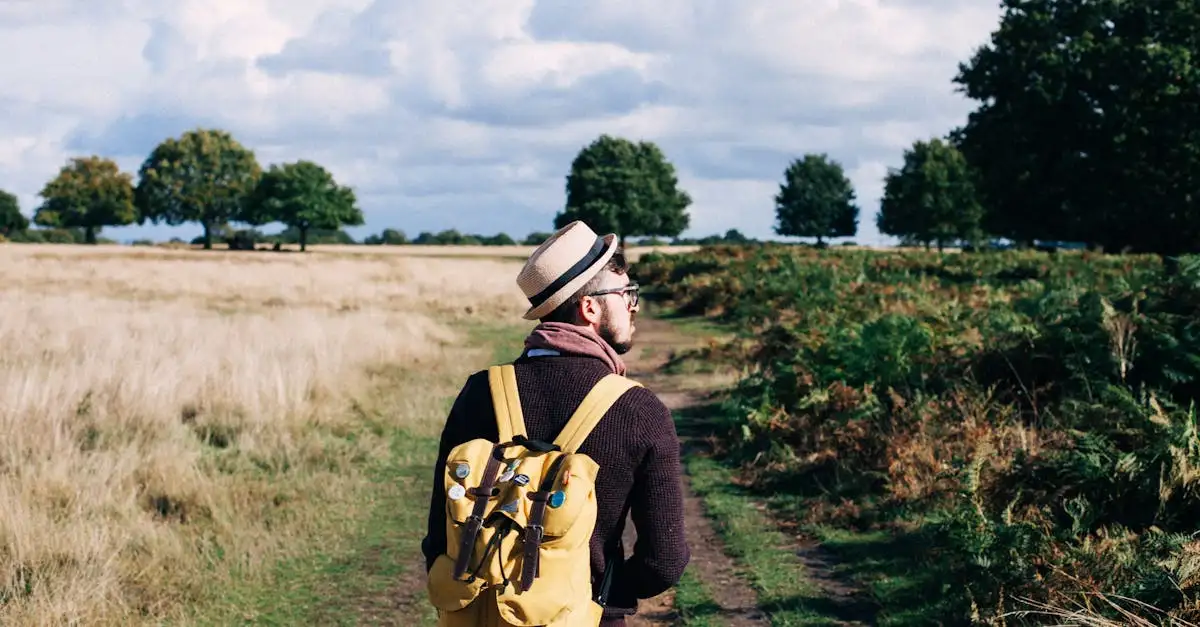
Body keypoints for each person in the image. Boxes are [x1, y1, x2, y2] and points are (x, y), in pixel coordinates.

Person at [421, 220, 690, 625]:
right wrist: (599, 592)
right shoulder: (639, 410)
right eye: (626, 294)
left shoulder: (479, 392)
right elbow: (663, 561)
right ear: (589, 308)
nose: (634, 305)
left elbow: (438, 539)